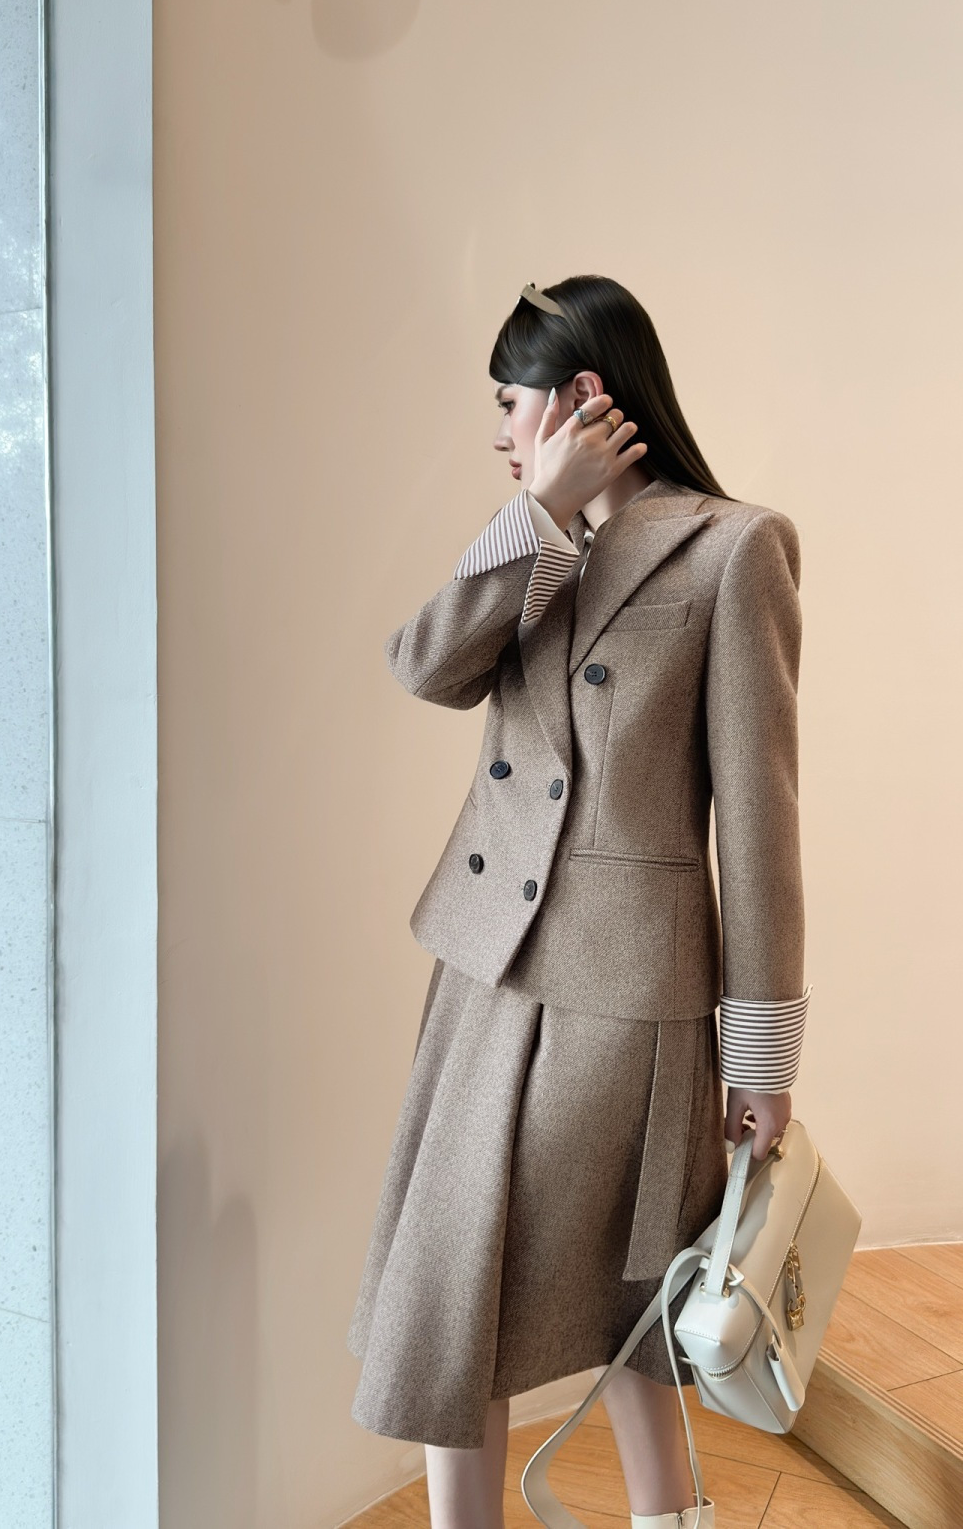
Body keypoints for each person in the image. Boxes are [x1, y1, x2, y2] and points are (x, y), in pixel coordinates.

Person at [347, 275, 811, 1529]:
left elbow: (760, 821)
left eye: (511, 402)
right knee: (453, 1289)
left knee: (635, 1302)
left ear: (581, 395)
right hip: (483, 970)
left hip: (625, 996)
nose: (500, 432)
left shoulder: (735, 548)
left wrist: (761, 1056)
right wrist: (538, 510)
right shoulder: (539, 548)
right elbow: (426, 666)